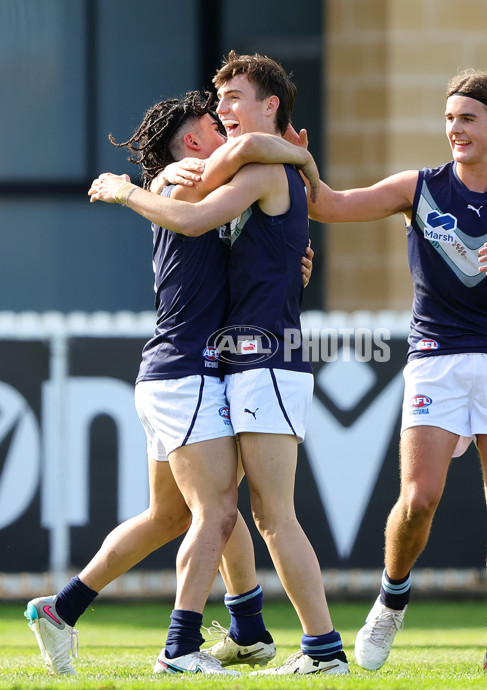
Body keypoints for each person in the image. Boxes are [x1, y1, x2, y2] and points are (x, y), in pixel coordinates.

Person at [25, 89, 317, 676]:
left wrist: (287, 262)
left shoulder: (204, 183)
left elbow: (239, 262)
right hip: (187, 371)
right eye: (215, 121)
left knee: (171, 516)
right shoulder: (184, 182)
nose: (225, 127)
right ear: (191, 141)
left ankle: (62, 609)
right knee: (216, 510)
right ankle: (181, 648)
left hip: (175, 371)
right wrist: (129, 188)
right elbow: (204, 203)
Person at [300, 68, 487, 673]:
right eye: (449, 118)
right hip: (435, 359)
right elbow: (329, 206)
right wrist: (303, 164)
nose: (455, 129)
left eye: (468, 118)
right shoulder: (419, 188)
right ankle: (392, 597)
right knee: (420, 498)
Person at [88, 51, 349, 676]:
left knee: (271, 515)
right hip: (244, 359)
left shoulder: (256, 164)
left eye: (233, 98)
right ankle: (255, 632)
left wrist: (128, 189)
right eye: (218, 98)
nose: (221, 109)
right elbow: (223, 218)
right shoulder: (254, 164)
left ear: (270, 107)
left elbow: (196, 215)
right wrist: (298, 162)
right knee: (237, 510)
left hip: (267, 359)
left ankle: (320, 650)